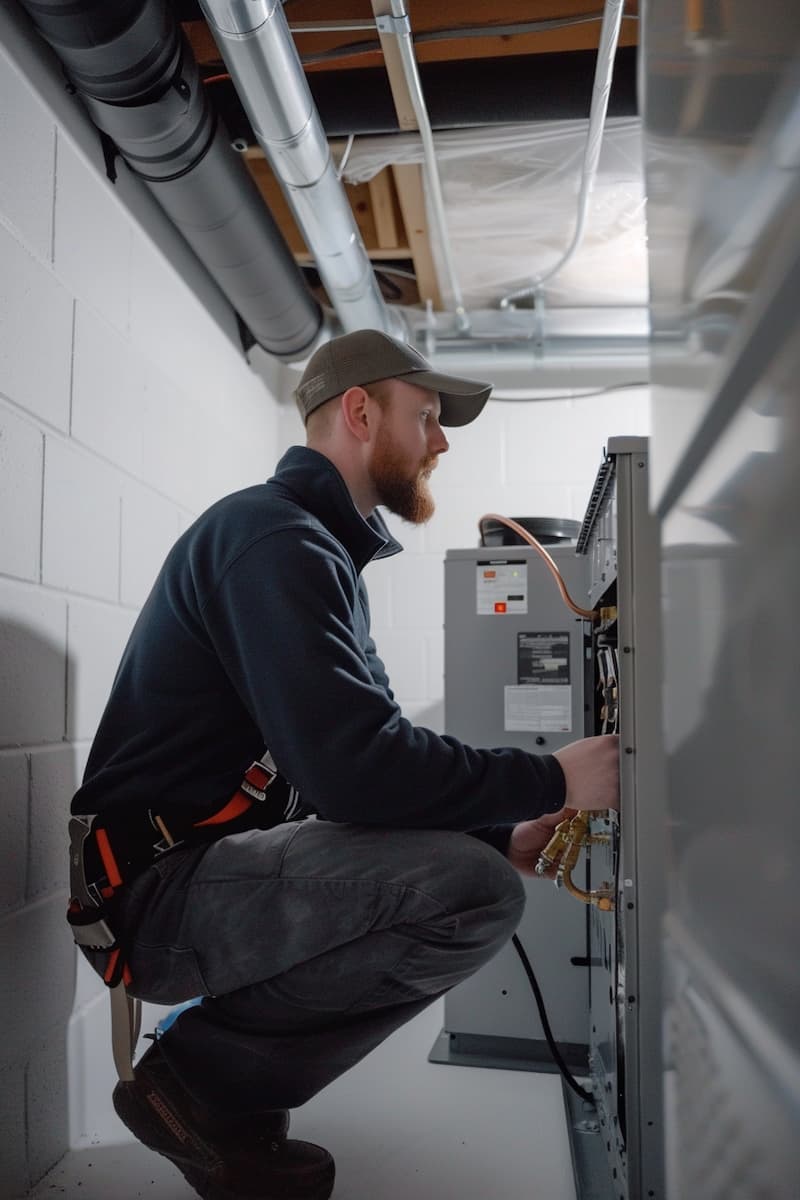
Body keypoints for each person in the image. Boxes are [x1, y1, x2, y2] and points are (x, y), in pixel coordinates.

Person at [70, 328, 620, 1200]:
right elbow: (354, 772)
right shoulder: (271, 540)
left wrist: (497, 826)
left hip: (193, 876)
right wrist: (553, 779)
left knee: (477, 867)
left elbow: (374, 750)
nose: (441, 442)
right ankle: (199, 1085)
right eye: (429, 417)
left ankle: (229, 1106)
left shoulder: (315, 552)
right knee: (471, 890)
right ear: (361, 412)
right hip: (157, 892)